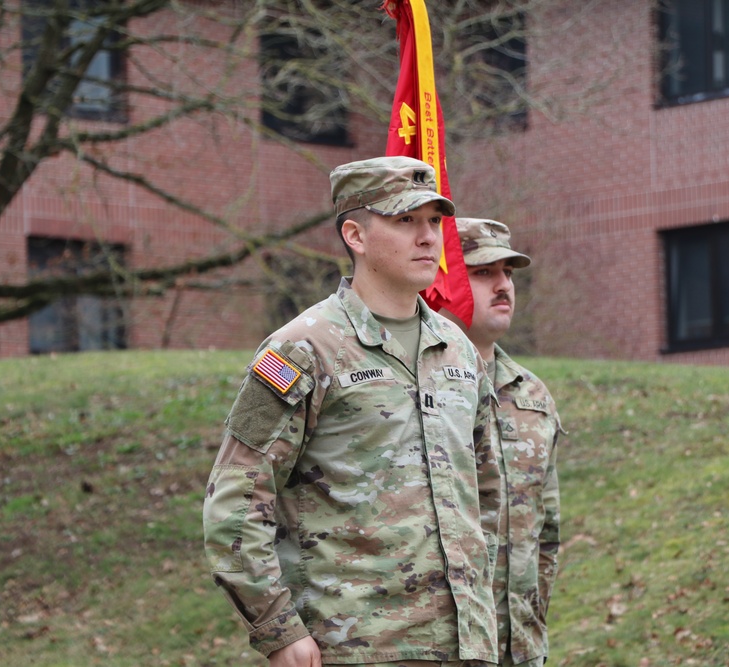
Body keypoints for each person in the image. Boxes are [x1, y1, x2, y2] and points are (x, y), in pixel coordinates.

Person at [202, 157, 501, 667]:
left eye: (434, 220)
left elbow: (488, 490)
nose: (428, 237)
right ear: (355, 235)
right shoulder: (303, 348)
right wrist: (278, 629)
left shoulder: (458, 349)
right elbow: (235, 499)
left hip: (465, 647)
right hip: (353, 645)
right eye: (406, 220)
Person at [443, 218, 563, 667]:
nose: (503, 286)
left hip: (520, 650)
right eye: (483, 272)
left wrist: (531, 621)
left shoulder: (532, 396)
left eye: (508, 273)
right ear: (445, 282)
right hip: (444, 650)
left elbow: (546, 533)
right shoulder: (413, 388)